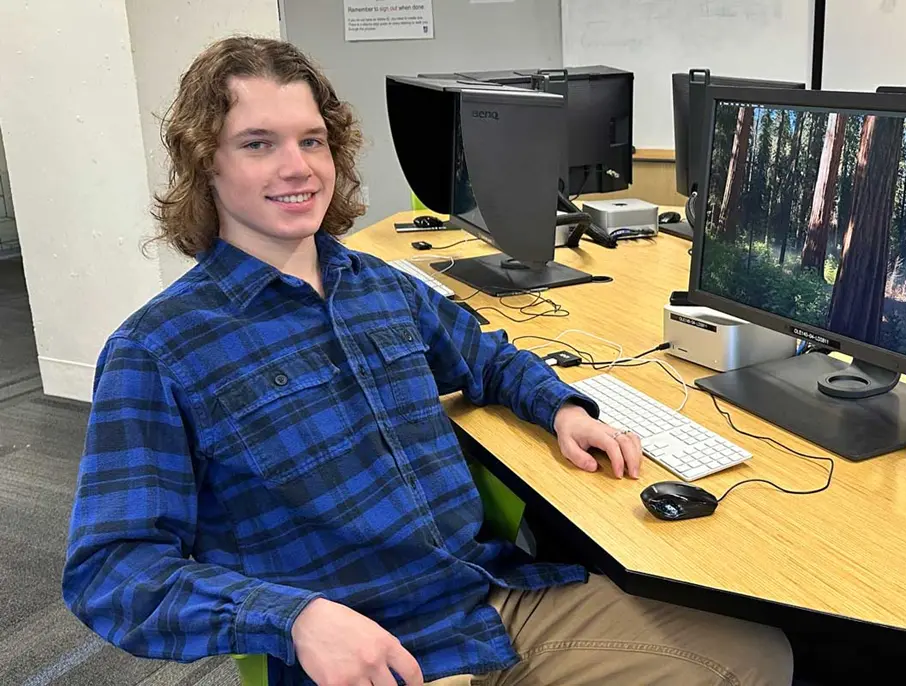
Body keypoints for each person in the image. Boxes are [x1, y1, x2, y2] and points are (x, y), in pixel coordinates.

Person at [62, 36, 793, 686]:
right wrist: (291, 619)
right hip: (368, 651)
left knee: (761, 655)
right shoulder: (158, 350)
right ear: (205, 163)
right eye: (258, 143)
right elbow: (112, 571)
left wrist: (563, 407)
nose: (298, 168)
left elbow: (489, 356)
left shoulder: (378, 286)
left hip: (483, 600)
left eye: (312, 141)